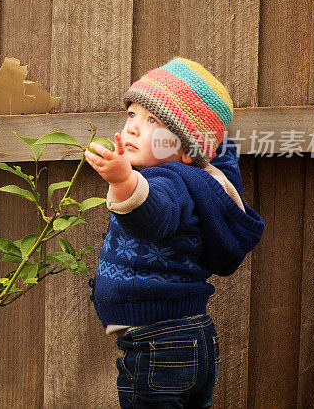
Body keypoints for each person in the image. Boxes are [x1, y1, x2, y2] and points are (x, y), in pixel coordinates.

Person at [83, 57, 264, 408]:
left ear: (182, 149)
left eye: (153, 121)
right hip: (194, 338)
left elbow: (153, 216)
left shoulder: (169, 182)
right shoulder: (207, 179)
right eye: (132, 114)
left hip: (156, 346)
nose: (134, 127)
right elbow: (215, 154)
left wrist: (122, 181)